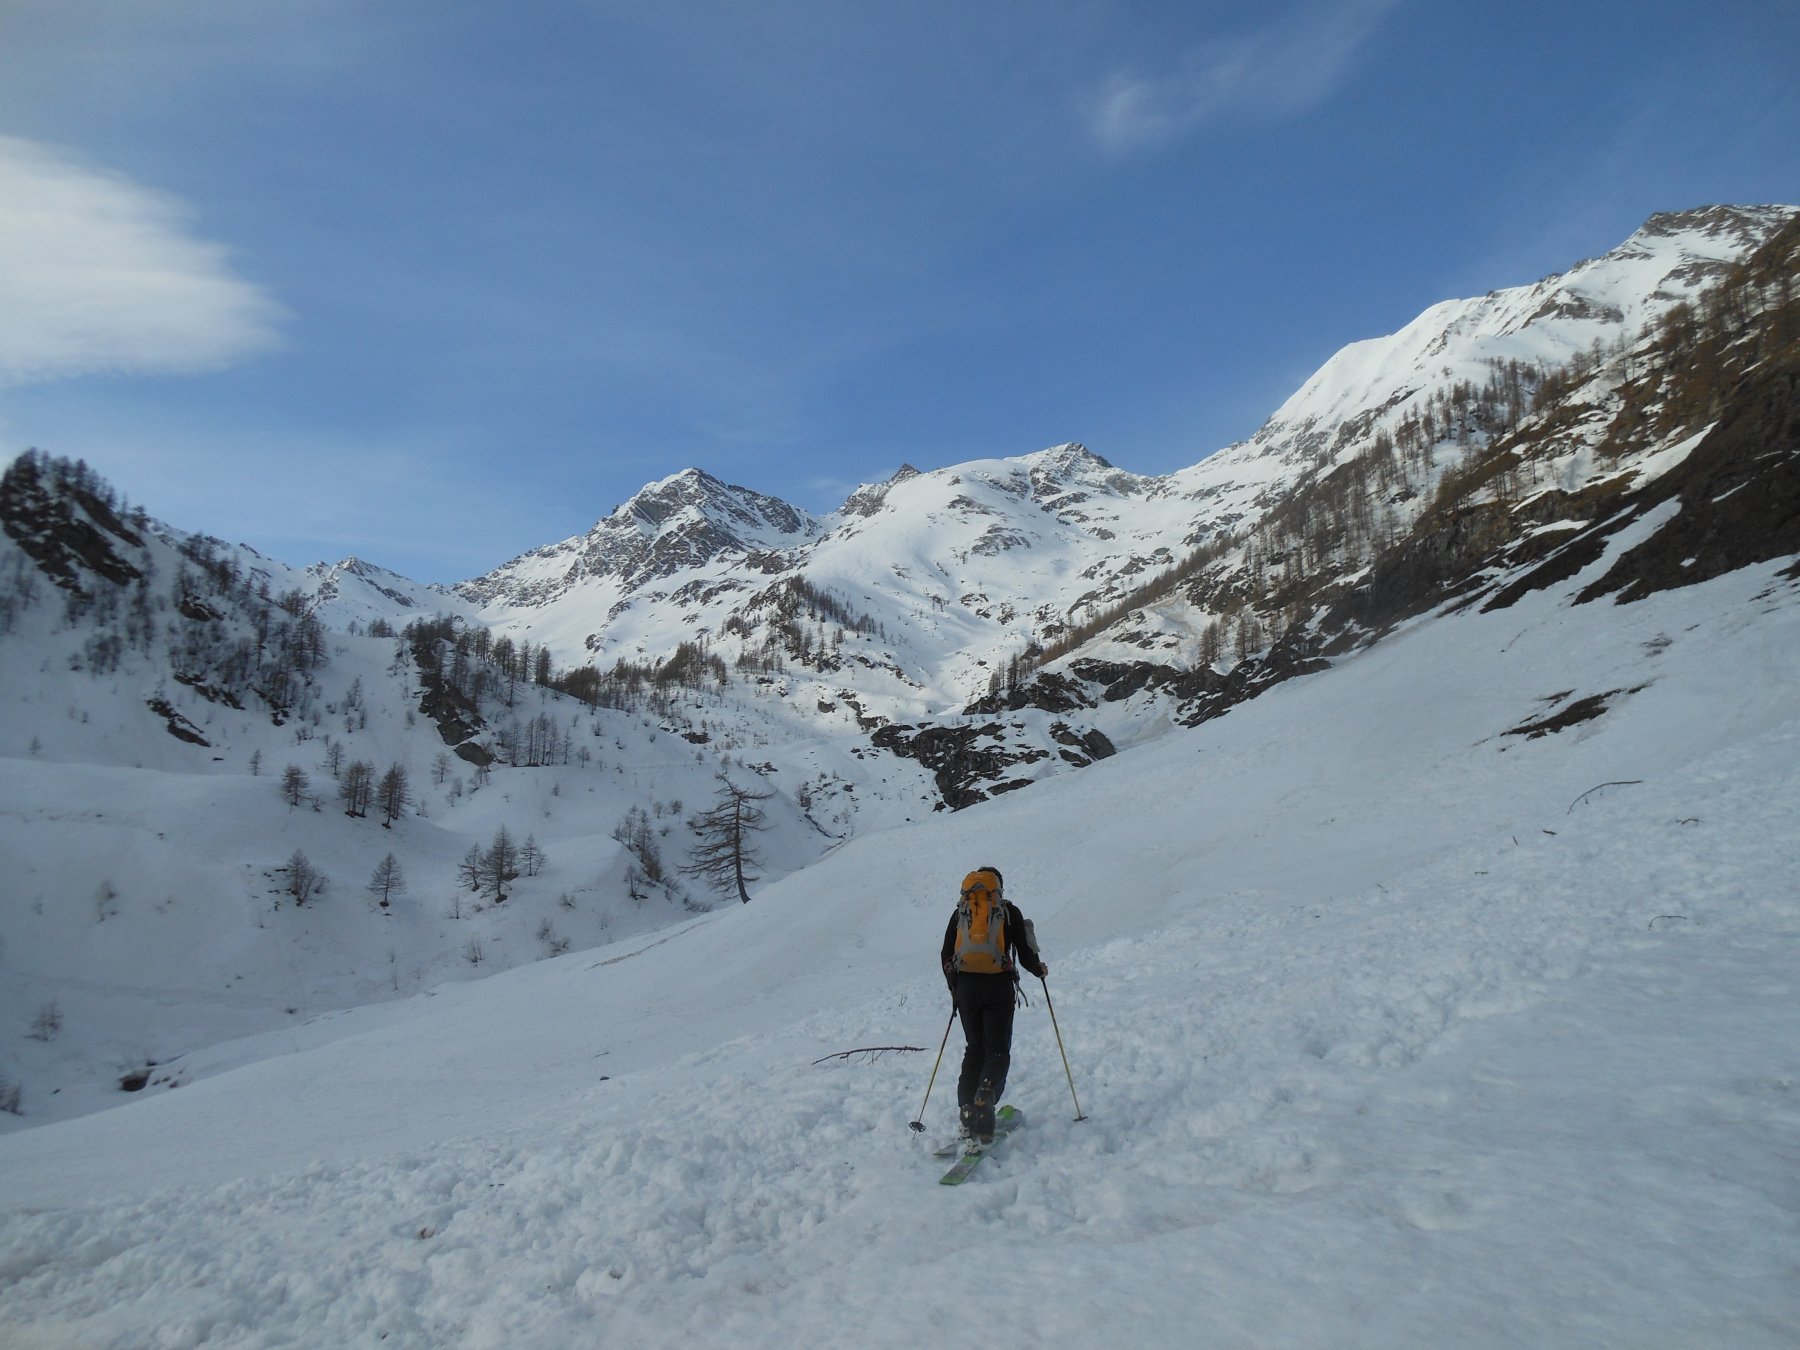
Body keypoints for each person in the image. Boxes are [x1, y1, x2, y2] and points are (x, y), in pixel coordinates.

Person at [940, 865, 1047, 1142]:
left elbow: (946, 953)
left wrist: (955, 989)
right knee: (997, 1049)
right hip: (998, 987)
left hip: (966, 988)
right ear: (999, 888)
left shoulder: (961, 911)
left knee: (974, 1048)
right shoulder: (1009, 912)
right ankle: (985, 1095)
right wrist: (1039, 970)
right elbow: (1024, 954)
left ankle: (966, 1108)